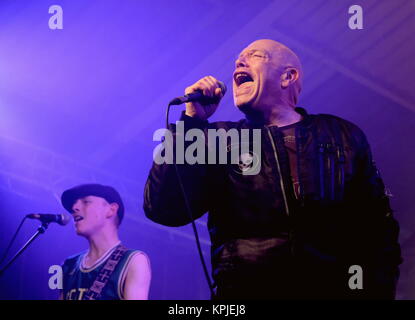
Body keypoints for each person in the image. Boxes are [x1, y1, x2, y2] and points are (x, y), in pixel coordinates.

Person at [143, 39, 402, 299]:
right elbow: (164, 209)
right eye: (237, 60)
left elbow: (379, 232)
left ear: (288, 76)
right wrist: (191, 124)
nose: (239, 63)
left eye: (254, 56)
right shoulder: (219, 138)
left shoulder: (340, 134)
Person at [59, 183, 151, 300]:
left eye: (86, 202)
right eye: (74, 203)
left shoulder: (133, 260)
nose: (74, 208)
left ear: (111, 210)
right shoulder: (69, 265)